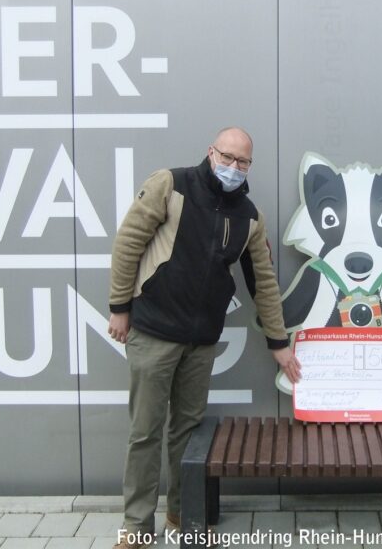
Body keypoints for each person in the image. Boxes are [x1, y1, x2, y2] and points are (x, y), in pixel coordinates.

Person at [108, 127, 302, 549]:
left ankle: (181, 512)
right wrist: (119, 307)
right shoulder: (170, 184)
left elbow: (263, 281)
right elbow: (128, 244)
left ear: (251, 165)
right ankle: (137, 528)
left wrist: (278, 341)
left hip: (201, 340)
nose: (234, 167)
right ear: (210, 152)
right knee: (145, 432)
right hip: (153, 330)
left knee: (187, 431)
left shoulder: (249, 216)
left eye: (243, 161)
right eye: (227, 157)